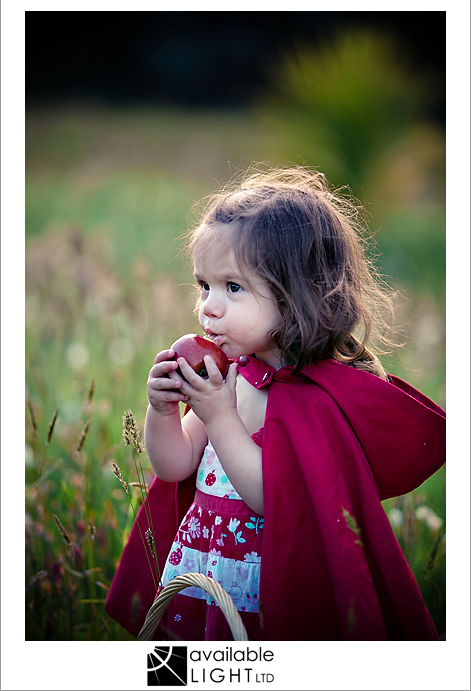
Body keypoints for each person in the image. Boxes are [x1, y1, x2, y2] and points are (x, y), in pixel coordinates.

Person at [105, 165, 445, 641]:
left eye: (233, 288)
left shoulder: (314, 398)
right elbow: (174, 466)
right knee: (186, 671)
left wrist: (220, 417)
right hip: (204, 574)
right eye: (204, 285)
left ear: (296, 295)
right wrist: (162, 412)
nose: (208, 307)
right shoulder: (234, 374)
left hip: (262, 584)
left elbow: (269, 496)